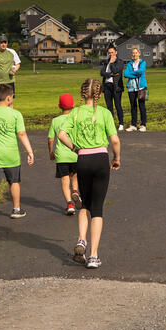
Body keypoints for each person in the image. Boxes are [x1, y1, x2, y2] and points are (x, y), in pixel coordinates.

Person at [57, 78, 121, 269]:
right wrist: (116, 157)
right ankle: (93, 256)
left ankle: (81, 239)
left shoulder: (75, 113)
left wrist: (75, 148)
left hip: (82, 159)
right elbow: (115, 140)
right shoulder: (104, 113)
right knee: (98, 208)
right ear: (99, 95)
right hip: (101, 158)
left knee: (84, 203)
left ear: (82, 94)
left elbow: (61, 134)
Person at [0, 83, 35, 225]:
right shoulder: (15, 114)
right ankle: (16, 209)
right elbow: (21, 134)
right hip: (11, 154)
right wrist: (30, 151)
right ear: (9, 98)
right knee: (14, 181)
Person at [49, 93, 80, 216]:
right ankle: (75, 191)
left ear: (59, 106)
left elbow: (51, 139)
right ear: (73, 105)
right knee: (75, 176)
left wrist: (51, 152)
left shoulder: (55, 121)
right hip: (75, 153)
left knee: (64, 179)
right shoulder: (76, 119)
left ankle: (69, 204)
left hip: (61, 155)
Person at [123, 45, 148, 132]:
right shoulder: (129, 64)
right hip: (131, 87)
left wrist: (131, 73)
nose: (134, 54)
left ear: (139, 54)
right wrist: (135, 73)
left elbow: (141, 72)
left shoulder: (143, 63)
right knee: (133, 106)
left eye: (136, 53)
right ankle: (133, 125)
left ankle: (143, 125)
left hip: (141, 87)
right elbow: (125, 74)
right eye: (133, 53)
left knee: (142, 106)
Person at [100, 45, 126, 131]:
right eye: (109, 53)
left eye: (112, 52)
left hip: (116, 86)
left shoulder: (120, 61)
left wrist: (111, 63)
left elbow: (116, 71)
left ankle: (121, 123)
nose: (110, 54)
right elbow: (102, 73)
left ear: (116, 52)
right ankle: (111, 124)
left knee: (118, 105)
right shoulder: (105, 61)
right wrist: (110, 74)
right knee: (109, 106)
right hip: (107, 86)